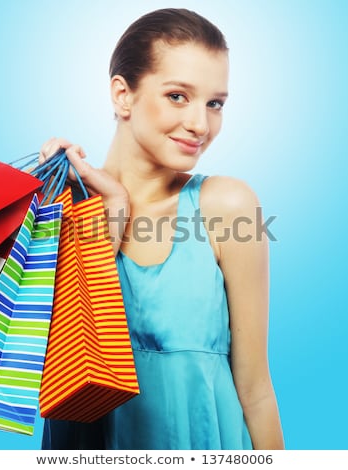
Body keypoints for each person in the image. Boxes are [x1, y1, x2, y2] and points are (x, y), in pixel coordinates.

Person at [40, 8, 284, 450]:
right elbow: (31, 365)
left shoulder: (228, 207)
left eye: (215, 103)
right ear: (122, 95)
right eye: (177, 96)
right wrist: (105, 212)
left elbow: (256, 389)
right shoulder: (58, 208)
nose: (200, 124)